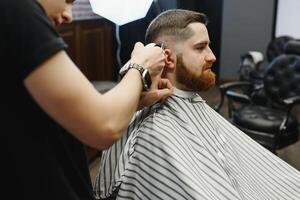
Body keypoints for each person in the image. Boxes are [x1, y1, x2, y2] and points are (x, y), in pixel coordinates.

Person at [94, 9, 300, 200]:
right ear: (167, 57)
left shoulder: (193, 105)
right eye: (201, 47)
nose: (212, 56)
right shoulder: (156, 130)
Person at [1, 0, 172, 199]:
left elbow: (39, 117)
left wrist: (135, 101)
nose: (69, 15)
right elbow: (105, 126)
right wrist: (141, 66)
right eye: (68, 0)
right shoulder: (17, 8)